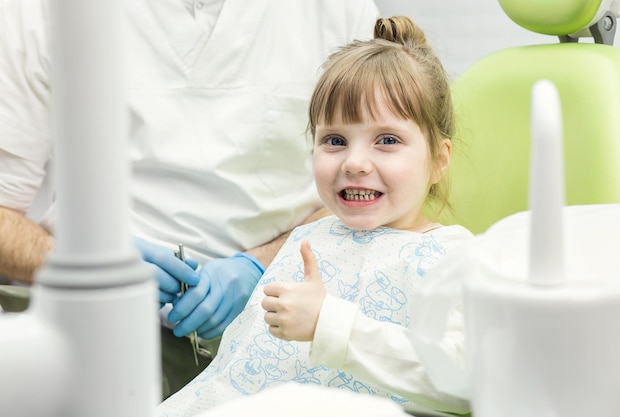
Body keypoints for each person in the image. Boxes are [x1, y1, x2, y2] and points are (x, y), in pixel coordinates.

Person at [0, 0, 379, 397]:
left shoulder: (337, 11)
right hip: (88, 324)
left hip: (280, 321)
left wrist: (262, 266)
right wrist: (82, 265)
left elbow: (382, 193)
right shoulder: (39, 10)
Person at [156, 16, 472, 416]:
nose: (355, 162)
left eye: (387, 140)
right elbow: (238, 371)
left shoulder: (452, 257)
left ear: (440, 160)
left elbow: (466, 379)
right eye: (334, 140)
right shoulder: (308, 242)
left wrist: (331, 325)